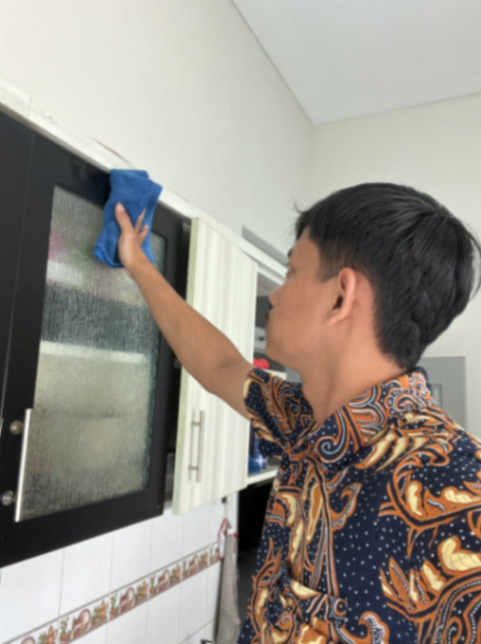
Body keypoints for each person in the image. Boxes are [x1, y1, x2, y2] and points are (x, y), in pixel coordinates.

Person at [115, 182, 481, 644]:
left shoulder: (459, 493)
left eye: (291, 273)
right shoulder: (304, 422)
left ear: (340, 297)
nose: (275, 296)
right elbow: (221, 366)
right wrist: (140, 265)